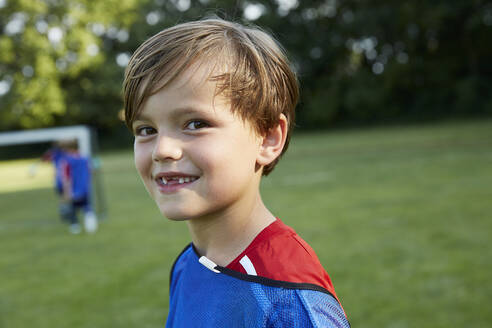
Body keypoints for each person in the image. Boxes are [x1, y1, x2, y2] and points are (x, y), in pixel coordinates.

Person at [123, 18, 349, 327]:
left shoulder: (286, 297)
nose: (163, 149)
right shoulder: (189, 264)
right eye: (146, 129)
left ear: (268, 137)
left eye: (195, 124)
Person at [42, 140, 98, 234]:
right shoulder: (85, 158)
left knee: (71, 208)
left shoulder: (66, 161)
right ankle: (90, 227)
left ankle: (75, 226)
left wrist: (66, 191)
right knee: (87, 206)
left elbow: (66, 177)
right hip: (85, 188)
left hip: (72, 189)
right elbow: (93, 169)